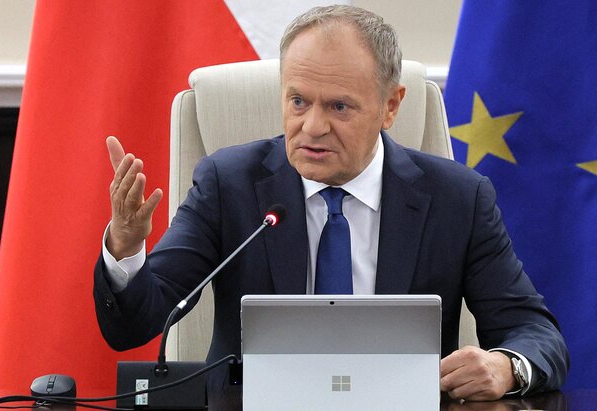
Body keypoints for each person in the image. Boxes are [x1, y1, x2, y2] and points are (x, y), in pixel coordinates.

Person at [94, 5, 568, 405]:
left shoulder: (458, 198)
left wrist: (507, 367)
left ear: (390, 106)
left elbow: (535, 333)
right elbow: (135, 324)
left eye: (339, 107)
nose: (313, 126)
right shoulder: (229, 184)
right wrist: (126, 247)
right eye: (299, 101)